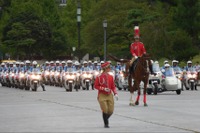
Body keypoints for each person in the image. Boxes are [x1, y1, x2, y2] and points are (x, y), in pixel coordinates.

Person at [94, 62, 118, 128]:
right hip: (102, 94)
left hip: (109, 94)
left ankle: (105, 119)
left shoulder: (111, 76)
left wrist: (115, 93)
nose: (110, 69)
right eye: (108, 67)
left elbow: (113, 86)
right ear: (105, 68)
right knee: (105, 109)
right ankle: (106, 123)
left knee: (111, 110)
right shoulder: (99, 77)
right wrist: (103, 88)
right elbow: (96, 86)